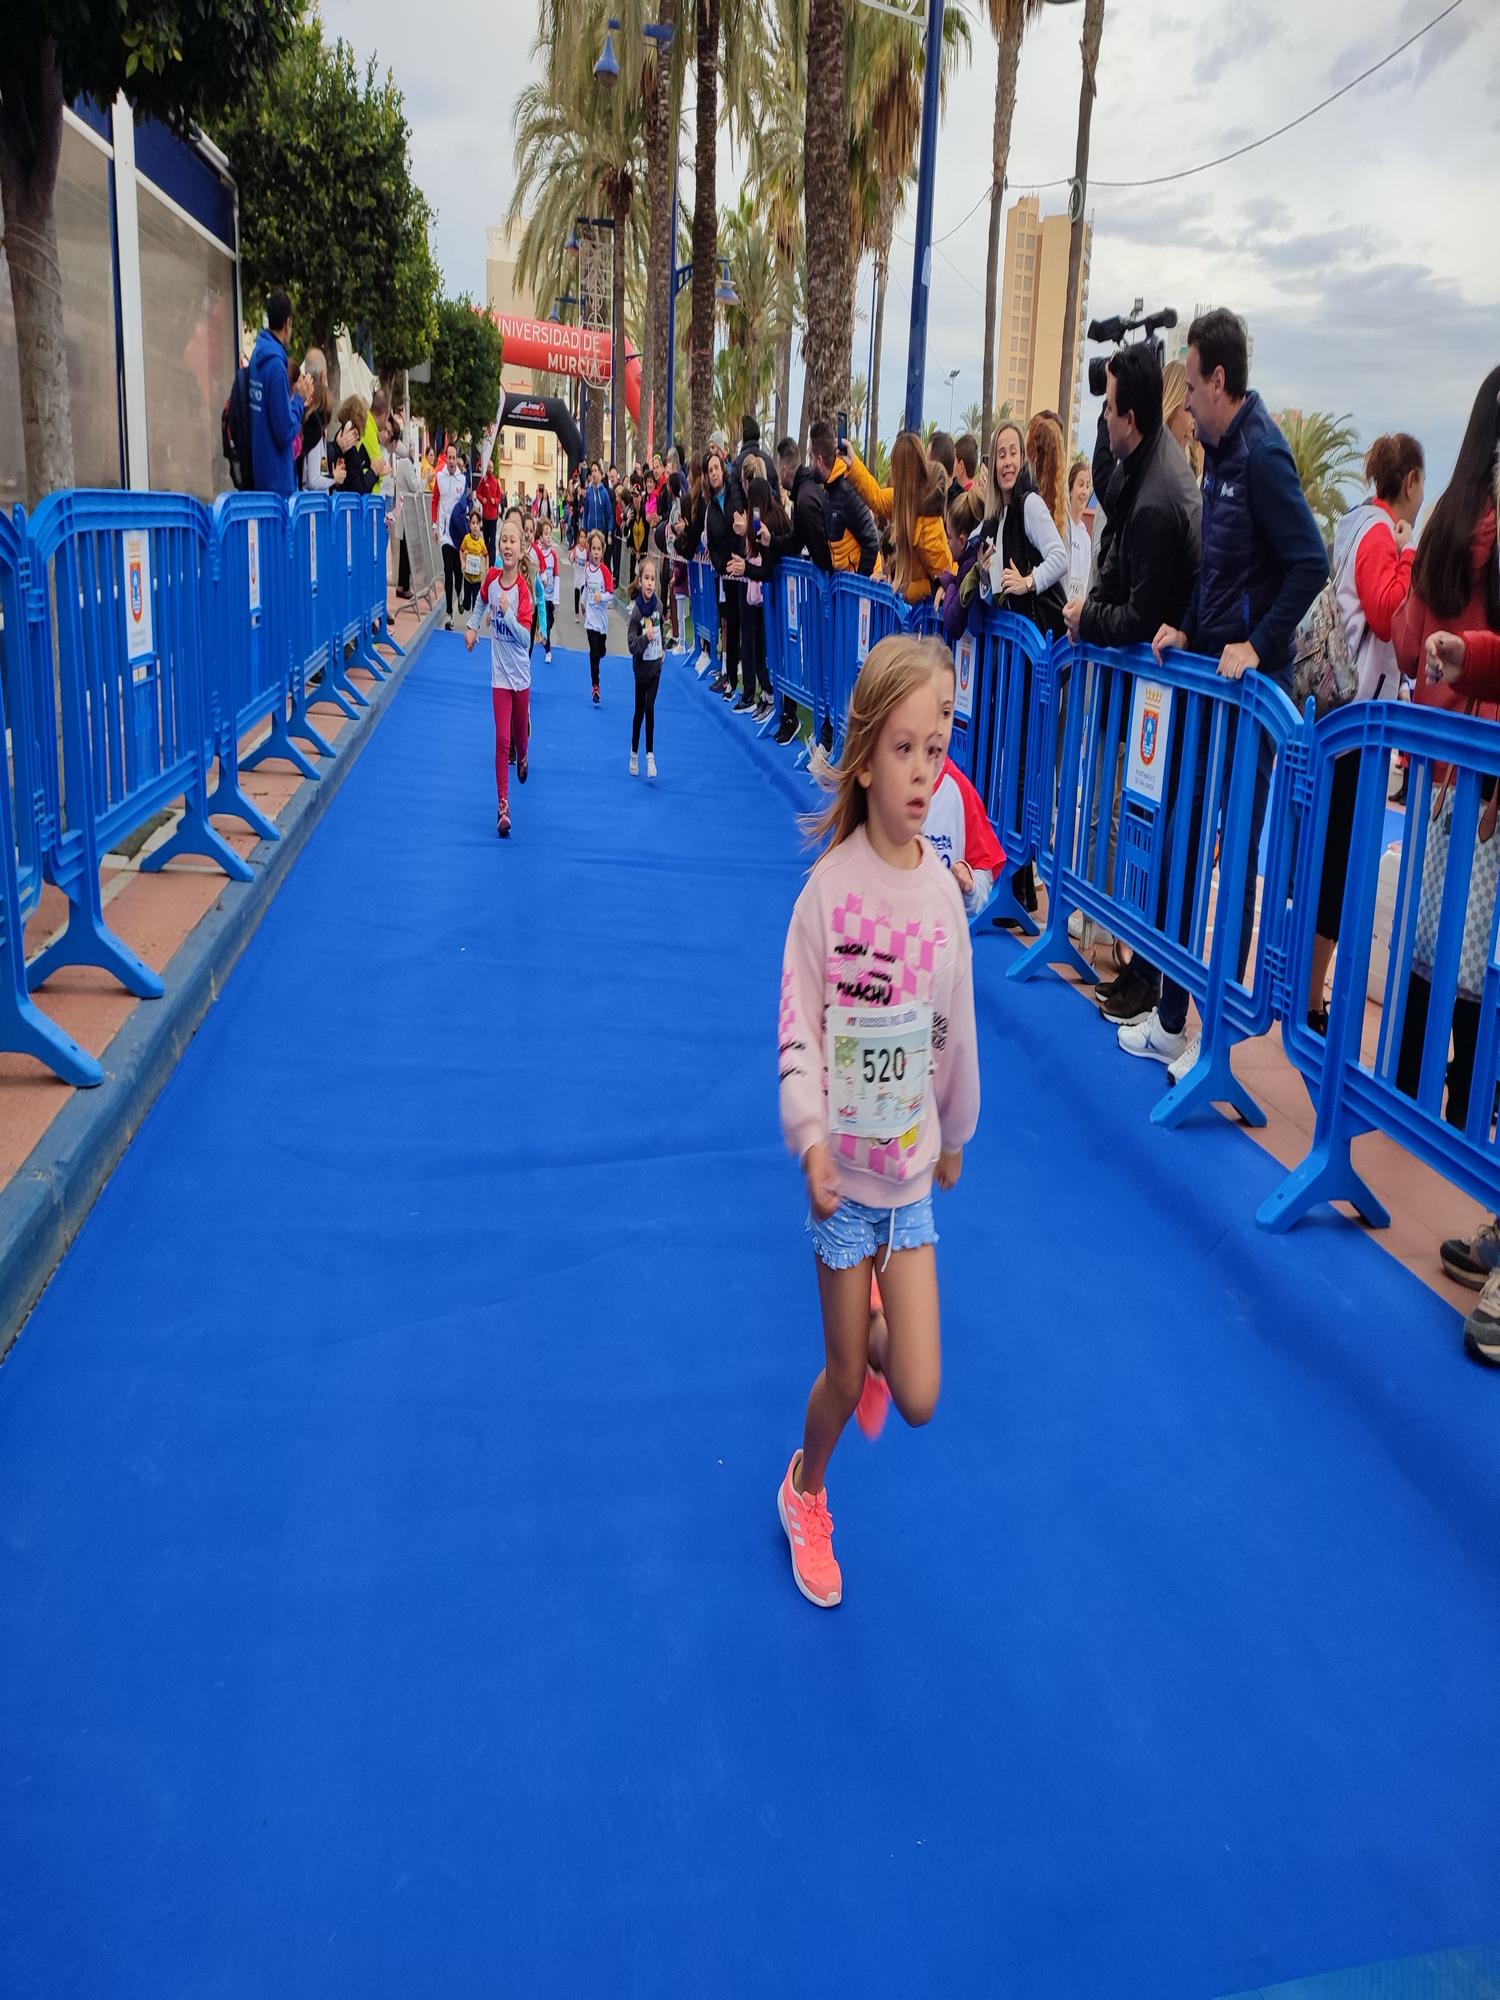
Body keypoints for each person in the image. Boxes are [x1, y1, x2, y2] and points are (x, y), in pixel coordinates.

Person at [775, 634, 980, 1609]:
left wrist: (956, 1132)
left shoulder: (943, 896)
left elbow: (952, 1030)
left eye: (935, 749)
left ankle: (872, 1319)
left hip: (910, 1189)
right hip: (844, 1191)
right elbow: (799, 1039)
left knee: (922, 1396)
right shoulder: (827, 895)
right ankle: (805, 1488)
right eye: (902, 748)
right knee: (844, 1367)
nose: (920, 771)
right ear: (864, 756)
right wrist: (811, 1136)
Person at [1138, 308, 1329, 1071]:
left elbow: (1308, 562)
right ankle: (1171, 1015)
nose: (1184, 401)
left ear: (1221, 380)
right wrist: (1187, 629)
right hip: (1206, 679)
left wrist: (1257, 645)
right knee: (1185, 835)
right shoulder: (1217, 451)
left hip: (1249, 692)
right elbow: (1215, 573)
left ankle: (1213, 1035)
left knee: (1234, 845)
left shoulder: (1264, 455)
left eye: (1190, 385)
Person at [1060, 339, 1202, 1008]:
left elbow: (1141, 617)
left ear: (1133, 416)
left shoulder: (1154, 498)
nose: (1104, 417)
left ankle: (1153, 980)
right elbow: (1106, 478)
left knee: (1161, 830)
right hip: (1158, 690)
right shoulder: (1139, 465)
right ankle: (1143, 969)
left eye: (1110, 407)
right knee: (1146, 821)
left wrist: (1088, 617)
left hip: (1177, 690)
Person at [1389, 367, 1500, 1129]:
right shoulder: (1492, 533)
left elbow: (1405, 642)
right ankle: (1463, 1118)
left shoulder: (1447, 523)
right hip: (1486, 766)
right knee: (1476, 951)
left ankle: (1401, 1095)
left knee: (1427, 941)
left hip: (1435, 758)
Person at [1303, 433, 1424, 1029]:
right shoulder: (1381, 533)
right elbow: (1386, 612)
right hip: (1357, 716)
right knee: (1338, 861)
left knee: (1324, 854)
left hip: (1336, 710)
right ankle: (1311, 993)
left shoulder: (1351, 524)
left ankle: (1305, 981)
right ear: (1409, 482)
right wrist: (1407, 555)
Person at [464, 508, 533, 840]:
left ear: (521, 552)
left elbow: (526, 639)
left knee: (519, 737)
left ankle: (524, 752)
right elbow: (479, 603)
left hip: (521, 677)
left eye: (513, 541)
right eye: (503, 539)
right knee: (502, 740)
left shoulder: (523, 592)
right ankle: (503, 806)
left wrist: (507, 615)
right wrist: (473, 627)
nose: (507, 545)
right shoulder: (491, 579)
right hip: (499, 678)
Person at [844, 432, 952, 603]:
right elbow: (877, 498)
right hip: (913, 609)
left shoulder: (928, 527)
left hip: (928, 614)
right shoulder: (901, 500)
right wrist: (853, 463)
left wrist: (906, 590)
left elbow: (945, 577)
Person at [247, 290, 311, 498]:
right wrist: (299, 399)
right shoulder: (275, 366)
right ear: (287, 323)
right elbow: (284, 431)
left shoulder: (258, 358)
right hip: (278, 483)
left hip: (260, 474)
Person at [627, 554, 666, 779]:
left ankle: (650, 756)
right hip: (640, 669)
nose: (650, 583)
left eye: (653, 579)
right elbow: (632, 645)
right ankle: (634, 753)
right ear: (639, 581)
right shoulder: (636, 613)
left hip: (656, 668)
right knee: (639, 712)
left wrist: (662, 651)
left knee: (650, 708)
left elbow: (660, 631)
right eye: (647, 578)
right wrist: (645, 638)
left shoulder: (659, 606)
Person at [431, 445, 468, 629]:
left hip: (458, 534)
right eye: (450, 458)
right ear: (446, 458)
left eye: (455, 458)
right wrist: (435, 526)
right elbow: (435, 501)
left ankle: (460, 594)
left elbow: (465, 504)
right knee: (448, 572)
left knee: (458, 572)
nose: (452, 461)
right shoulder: (440, 477)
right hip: (445, 534)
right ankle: (448, 613)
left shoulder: (462, 479)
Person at [581, 527, 614, 705]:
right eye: (593, 549)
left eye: (598, 549)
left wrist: (602, 597)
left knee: (600, 650)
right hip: (590, 620)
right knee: (594, 653)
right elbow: (586, 587)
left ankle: (602, 649)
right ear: (589, 550)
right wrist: (583, 601)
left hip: (602, 620)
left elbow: (612, 595)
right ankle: (595, 686)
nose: (595, 552)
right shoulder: (587, 569)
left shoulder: (605, 572)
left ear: (603, 551)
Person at [298, 347, 333, 491]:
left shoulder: (300, 414)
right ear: (324, 376)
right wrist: (334, 478)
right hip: (312, 506)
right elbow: (313, 479)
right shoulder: (314, 426)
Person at [1065, 458, 1093, 601]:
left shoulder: (1086, 538)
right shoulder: (1061, 528)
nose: (1084, 492)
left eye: (1087, 486)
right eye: (1080, 485)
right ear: (1070, 489)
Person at [535, 518, 561, 665]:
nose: (549, 536)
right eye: (546, 534)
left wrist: (556, 598)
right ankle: (548, 651)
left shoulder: (553, 556)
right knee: (547, 622)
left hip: (551, 595)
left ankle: (543, 631)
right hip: (541, 596)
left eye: (550, 533)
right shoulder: (538, 554)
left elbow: (557, 576)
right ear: (540, 537)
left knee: (550, 621)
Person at [460, 509, 488, 612]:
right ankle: (463, 602)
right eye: (473, 523)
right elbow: (461, 550)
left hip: (477, 578)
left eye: (477, 523)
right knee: (467, 605)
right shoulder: (467, 539)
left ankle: (474, 623)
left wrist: (487, 568)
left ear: (480, 525)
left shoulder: (481, 542)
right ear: (469, 525)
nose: (475, 525)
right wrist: (463, 561)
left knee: (475, 603)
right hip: (467, 577)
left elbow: (486, 555)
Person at [477, 458, 502, 563]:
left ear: (493, 468)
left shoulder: (496, 482)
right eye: (488, 467)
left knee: (492, 542)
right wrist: (482, 499)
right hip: (485, 516)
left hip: (493, 517)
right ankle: (486, 561)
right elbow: (478, 493)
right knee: (486, 540)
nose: (490, 469)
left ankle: (492, 563)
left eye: (491, 467)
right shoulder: (484, 480)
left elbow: (499, 497)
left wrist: (495, 501)